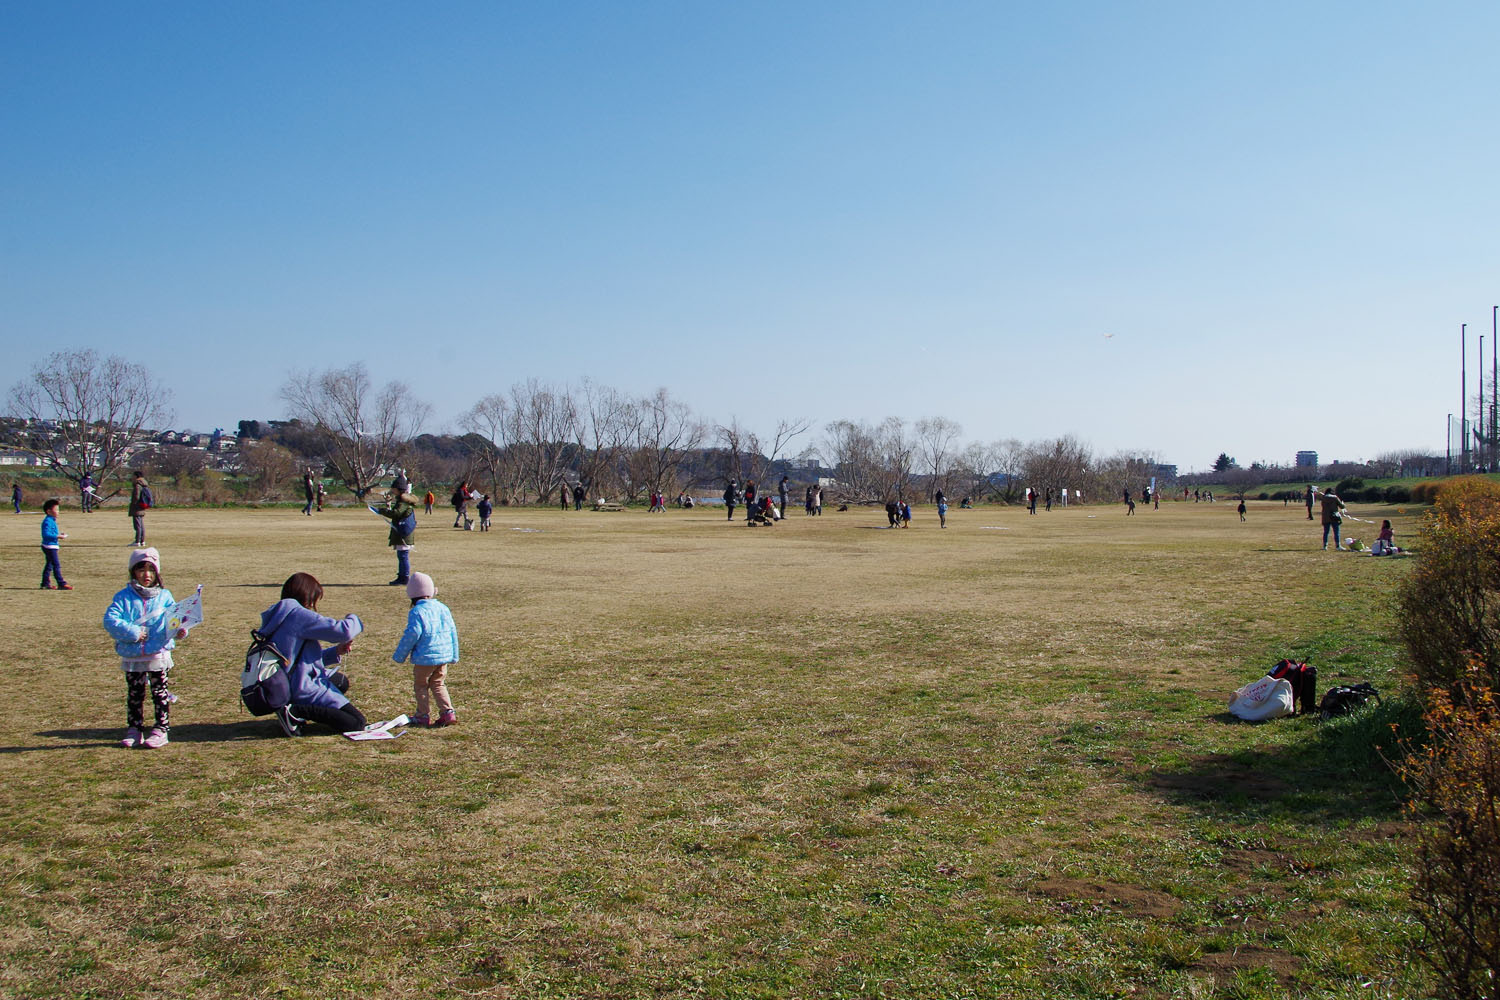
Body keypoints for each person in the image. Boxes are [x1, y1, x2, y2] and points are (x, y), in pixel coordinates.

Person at [259, 572, 366, 736]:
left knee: (340, 682)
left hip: (284, 682)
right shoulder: (297, 615)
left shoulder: (279, 615)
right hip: (301, 686)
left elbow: (297, 660)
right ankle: (296, 711)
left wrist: (336, 652)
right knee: (357, 723)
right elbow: (343, 631)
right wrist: (354, 619)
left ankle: (295, 708)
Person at [103, 548, 186, 748]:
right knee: (135, 693)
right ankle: (135, 728)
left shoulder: (165, 596)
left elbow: (175, 618)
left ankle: (161, 729)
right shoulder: (123, 597)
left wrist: (181, 630)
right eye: (141, 570)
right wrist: (133, 632)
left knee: (160, 693)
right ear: (133, 572)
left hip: (158, 653)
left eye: (150, 570)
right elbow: (110, 620)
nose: (146, 575)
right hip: (133, 656)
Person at [392, 572, 460, 727]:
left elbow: (412, 634)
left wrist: (399, 655)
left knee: (421, 685)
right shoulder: (443, 608)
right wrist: (454, 655)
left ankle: (422, 715)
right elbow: (452, 631)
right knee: (438, 683)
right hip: (443, 656)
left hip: (425, 658)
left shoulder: (416, 611)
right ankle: (448, 713)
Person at [373, 488, 418, 584]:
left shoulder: (403, 502)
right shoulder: (403, 502)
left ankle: (404, 577)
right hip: (403, 533)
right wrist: (388, 505)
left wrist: (382, 511)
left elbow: (396, 513)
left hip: (403, 533)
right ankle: (402, 576)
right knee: (402, 555)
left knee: (403, 556)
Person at [40, 498, 71, 590]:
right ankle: (61, 583)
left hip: (52, 545)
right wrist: (57, 536)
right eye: (56, 509)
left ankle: (45, 584)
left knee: (49, 565)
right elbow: (46, 534)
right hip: (49, 546)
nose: (58, 512)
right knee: (56, 565)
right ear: (49, 511)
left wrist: (58, 535)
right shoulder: (47, 521)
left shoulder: (51, 520)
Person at [128, 470, 151, 545]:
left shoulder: (138, 485)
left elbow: (136, 496)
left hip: (137, 507)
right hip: (142, 506)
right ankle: (142, 541)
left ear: (136, 476)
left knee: (137, 525)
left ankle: (137, 541)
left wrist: (133, 503)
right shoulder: (144, 484)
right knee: (141, 525)